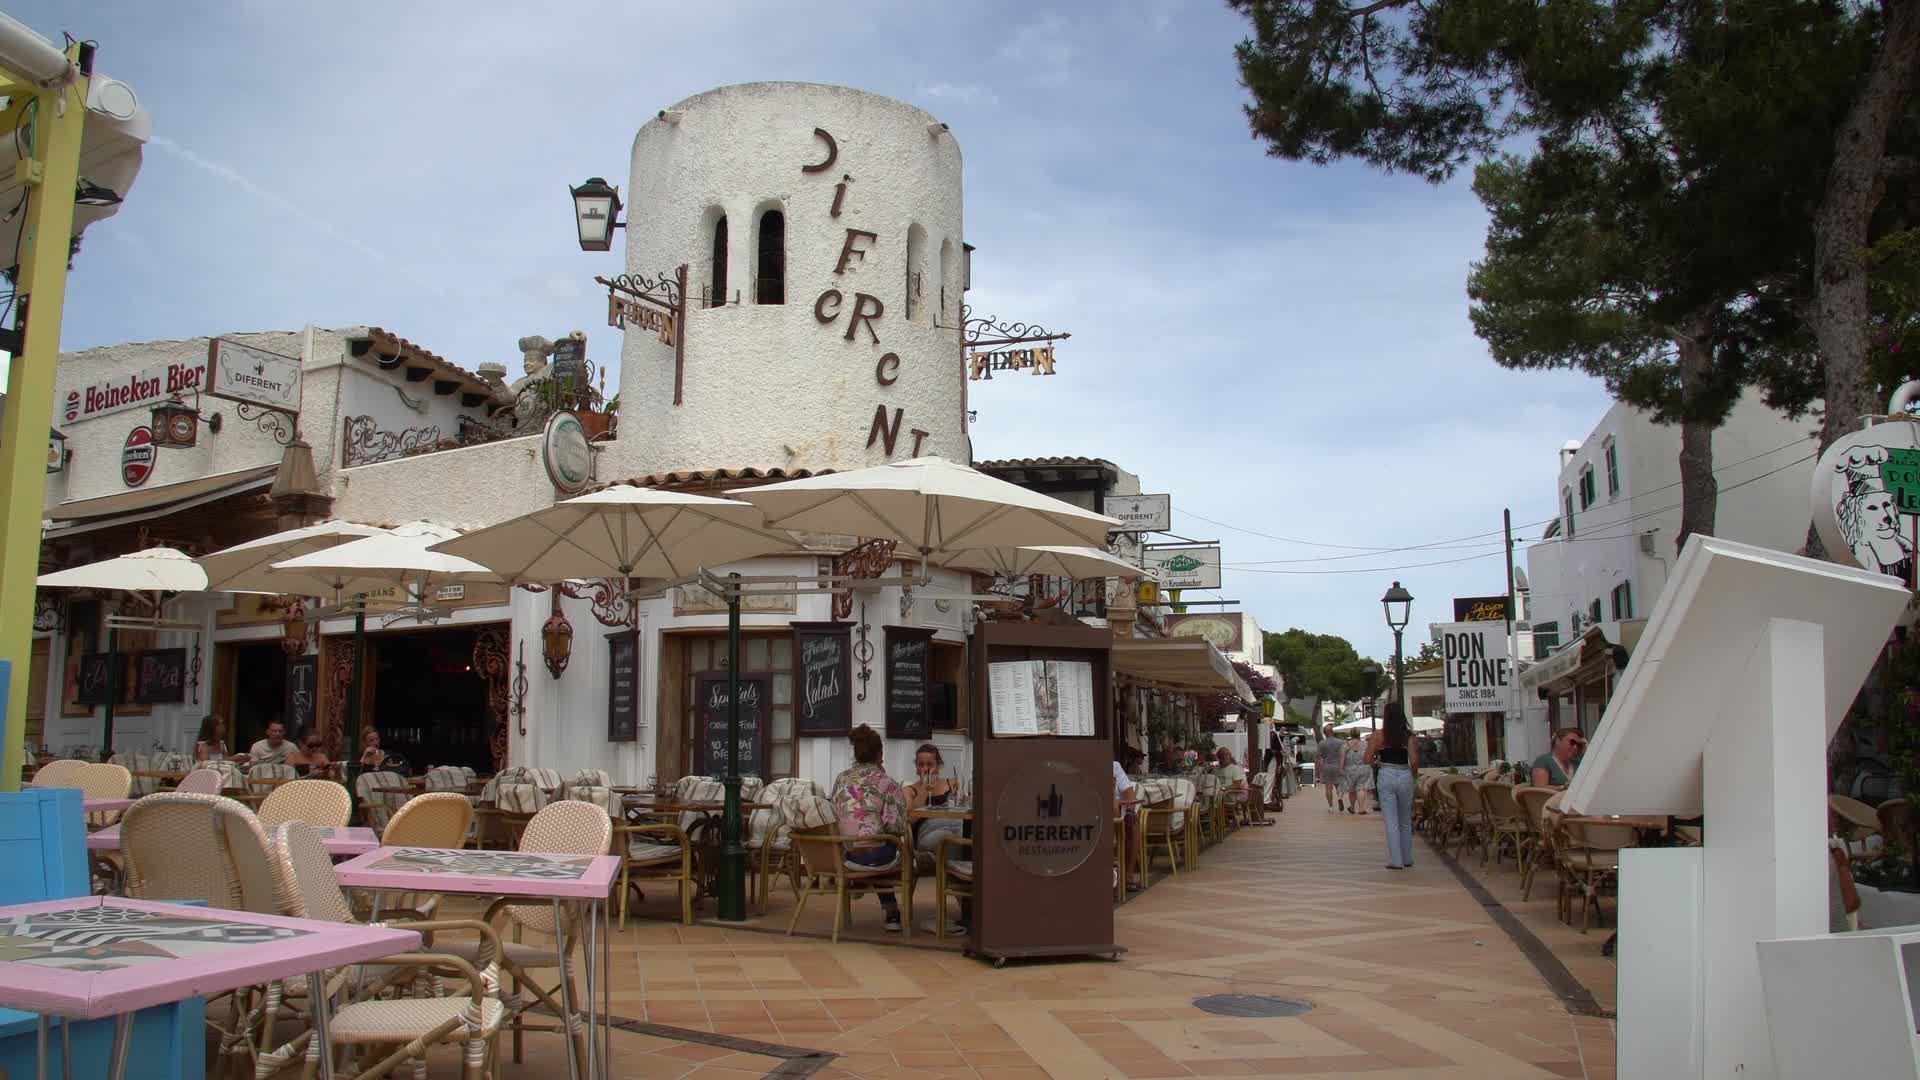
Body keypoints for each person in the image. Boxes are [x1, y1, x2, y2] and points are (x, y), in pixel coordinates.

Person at [830, 725, 910, 932]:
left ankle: (865, 885)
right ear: (880, 753)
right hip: (875, 857)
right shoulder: (887, 782)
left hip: (844, 856)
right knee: (890, 847)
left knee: (878, 846)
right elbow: (897, 827)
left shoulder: (841, 779)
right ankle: (892, 912)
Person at [903, 743, 972, 928]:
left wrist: (963, 797)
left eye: (930, 764)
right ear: (916, 766)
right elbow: (910, 818)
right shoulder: (910, 790)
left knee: (969, 840)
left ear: (939, 765)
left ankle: (972, 904)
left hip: (957, 825)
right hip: (931, 831)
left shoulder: (952, 784)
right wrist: (925, 789)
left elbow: (965, 806)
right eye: (921, 764)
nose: (925, 768)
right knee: (952, 843)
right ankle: (968, 909)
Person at [1367, 703, 1421, 869]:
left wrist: (1377, 754)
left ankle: (1396, 860)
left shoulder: (1379, 735)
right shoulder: (1409, 736)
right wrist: (1412, 777)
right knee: (1405, 819)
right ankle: (1408, 858)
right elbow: (1414, 761)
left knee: (1391, 820)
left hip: (1386, 773)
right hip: (1404, 773)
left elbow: (1367, 758)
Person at [1114, 748, 1144, 890]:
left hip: (1113, 818)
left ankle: (1128, 876)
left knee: (1133, 821)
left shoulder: (1114, 766)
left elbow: (1129, 793)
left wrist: (1131, 810)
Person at [1315, 729, 1346, 812]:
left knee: (1328, 788)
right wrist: (1342, 767)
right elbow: (1343, 755)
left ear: (1324, 733)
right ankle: (1340, 797)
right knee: (1338, 785)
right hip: (1338, 766)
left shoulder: (1321, 743)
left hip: (1326, 766)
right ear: (1332, 732)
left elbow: (1318, 758)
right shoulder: (1341, 742)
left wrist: (1317, 770)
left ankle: (1331, 806)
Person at [1342, 733, 1374, 814]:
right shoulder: (1365, 744)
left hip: (1349, 768)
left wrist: (1341, 769)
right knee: (1361, 788)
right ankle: (1361, 809)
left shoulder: (1346, 745)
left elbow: (1342, 758)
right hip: (1363, 768)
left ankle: (1352, 808)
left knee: (1352, 789)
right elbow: (1370, 755)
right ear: (1359, 734)